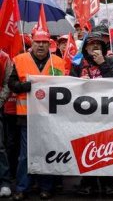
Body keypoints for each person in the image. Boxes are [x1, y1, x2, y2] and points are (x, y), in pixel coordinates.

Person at [9, 28, 66, 200]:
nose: (40, 45)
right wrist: (22, 87)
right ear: (31, 43)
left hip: (51, 117)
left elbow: (67, 86)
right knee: (25, 155)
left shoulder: (59, 62)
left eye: (44, 42)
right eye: (37, 42)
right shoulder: (19, 60)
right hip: (27, 117)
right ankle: (21, 187)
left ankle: (46, 187)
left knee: (47, 152)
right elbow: (11, 83)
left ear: (50, 44)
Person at [70, 32, 113, 196]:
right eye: (91, 45)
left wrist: (102, 64)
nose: (95, 47)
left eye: (98, 45)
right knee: (87, 147)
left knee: (105, 148)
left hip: (107, 113)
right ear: (85, 48)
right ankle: (88, 183)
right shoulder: (78, 63)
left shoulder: (110, 60)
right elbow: (68, 84)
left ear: (103, 48)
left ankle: (108, 183)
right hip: (84, 115)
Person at [0, 50, 12, 198]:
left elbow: (7, 83)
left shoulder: (4, 57)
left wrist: (0, 101)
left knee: (0, 147)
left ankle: (4, 182)